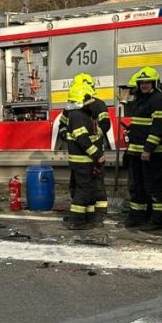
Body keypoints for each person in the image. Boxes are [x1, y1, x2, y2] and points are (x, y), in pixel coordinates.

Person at [57, 72, 112, 220]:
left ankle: (98, 214)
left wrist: (95, 133)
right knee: (79, 185)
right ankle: (82, 214)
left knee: (96, 184)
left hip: (93, 150)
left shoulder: (98, 104)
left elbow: (106, 124)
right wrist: (65, 134)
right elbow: (63, 124)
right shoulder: (72, 107)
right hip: (81, 152)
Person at [124, 66, 162, 231]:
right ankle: (138, 216)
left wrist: (148, 150)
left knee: (153, 185)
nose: (144, 85)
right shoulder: (141, 100)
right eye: (141, 82)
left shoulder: (158, 100)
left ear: (154, 82)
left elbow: (158, 128)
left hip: (151, 153)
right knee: (138, 185)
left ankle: (158, 219)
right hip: (137, 152)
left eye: (147, 82)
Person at [63, 84, 105, 229]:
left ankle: (88, 218)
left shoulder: (81, 114)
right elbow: (83, 139)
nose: (92, 101)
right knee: (84, 190)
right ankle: (76, 221)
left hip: (85, 161)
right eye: (90, 98)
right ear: (83, 98)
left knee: (89, 189)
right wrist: (98, 154)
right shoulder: (78, 115)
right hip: (83, 161)